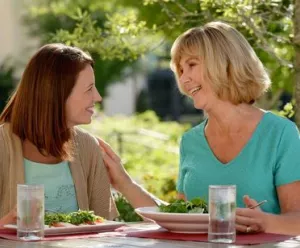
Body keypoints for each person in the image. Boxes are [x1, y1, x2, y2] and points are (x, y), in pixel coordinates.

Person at [99, 21, 300, 235]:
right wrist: (124, 183)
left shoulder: (280, 134)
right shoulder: (190, 141)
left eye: (192, 65)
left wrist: (266, 222)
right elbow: (181, 218)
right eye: (181, 70)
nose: (184, 79)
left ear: (225, 62)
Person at [0, 43, 121, 226]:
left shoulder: (87, 147)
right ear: (56, 94)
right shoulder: (2, 146)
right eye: (89, 89)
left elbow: (105, 227)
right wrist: (5, 225)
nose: (97, 97)